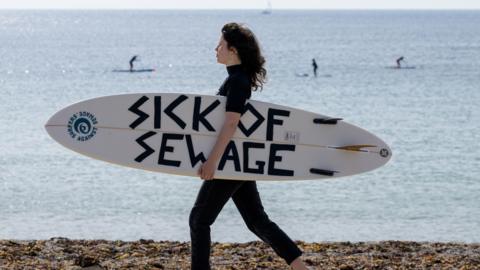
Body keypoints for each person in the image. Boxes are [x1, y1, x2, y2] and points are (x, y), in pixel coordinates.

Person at [189, 22, 308, 270]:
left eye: (220, 45)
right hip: (238, 160)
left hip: (229, 161)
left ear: (233, 49)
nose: (216, 49)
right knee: (256, 220)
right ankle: (300, 267)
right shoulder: (235, 79)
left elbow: (232, 122)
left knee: (199, 220)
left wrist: (213, 161)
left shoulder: (238, 82)